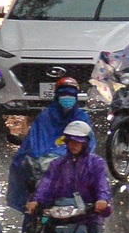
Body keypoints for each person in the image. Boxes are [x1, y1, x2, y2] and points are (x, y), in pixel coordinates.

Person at [25, 120, 111, 233]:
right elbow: (46, 183)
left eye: (78, 142)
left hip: (87, 214)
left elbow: (102, 185)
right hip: (59, 212)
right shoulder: (57, 164)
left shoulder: (96, 163)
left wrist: (101, 201)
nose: (73, 145)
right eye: (70, 141)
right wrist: (36, 200)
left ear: (86, 143)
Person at [6, 78, 91, 210]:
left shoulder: (82, 118)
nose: (67, 98)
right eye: (63, 94)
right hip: (45, 166)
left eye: (71, 94)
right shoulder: (45, 117)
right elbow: (35, 145)